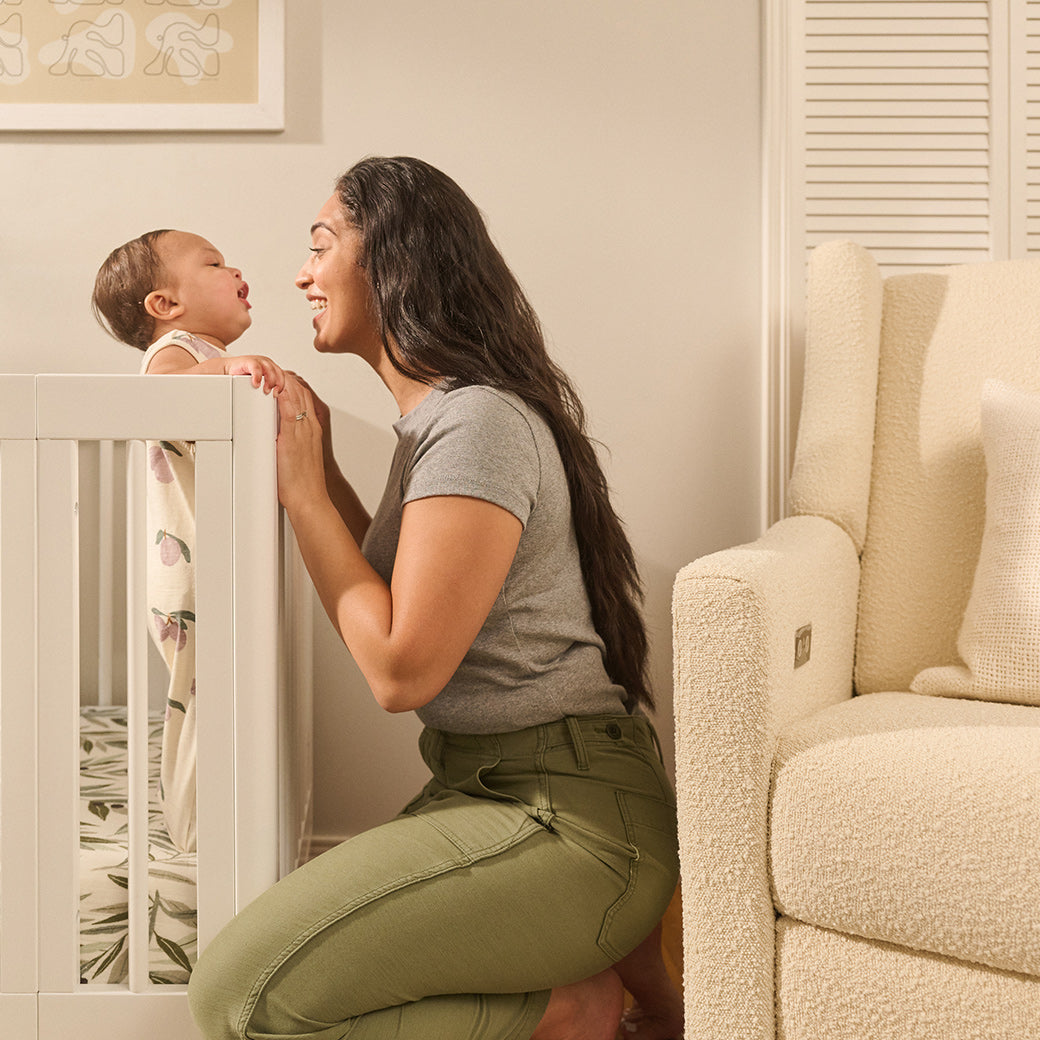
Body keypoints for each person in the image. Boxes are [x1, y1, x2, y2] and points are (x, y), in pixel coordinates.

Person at [187, 157, 682, 1040]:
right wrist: (322, 461)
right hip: (489, 787)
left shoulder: (477, 422)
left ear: (395, 260)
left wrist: (305, 494)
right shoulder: (439, 425)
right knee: (254, 983)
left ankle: (573, 1008)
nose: (302, 273)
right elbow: (385, 592)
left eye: (321, 244)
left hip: (564, 816)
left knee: (240, 998)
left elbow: (402, 667)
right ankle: (577, 988)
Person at [92, 229, 286, 855]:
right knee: (196, 704)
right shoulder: (173, 353)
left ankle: (222, 820)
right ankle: (193, 835)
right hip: (189, 571)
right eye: (215, 262)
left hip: (215, 561)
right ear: (164, 306)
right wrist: (229, 368)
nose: (236, 269)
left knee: (219, 698)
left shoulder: (202, 354)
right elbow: (169, 398)